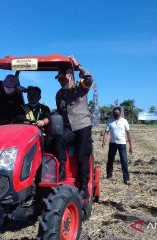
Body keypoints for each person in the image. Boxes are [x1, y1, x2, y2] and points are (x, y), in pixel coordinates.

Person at [54, 56, 93, 199]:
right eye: (59, 80)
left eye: (63, 79)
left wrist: (79, 66)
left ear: (70, 77)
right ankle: (62, 167)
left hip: (82, 126)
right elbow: (59, 111)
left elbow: (89, 79)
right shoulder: (59, 94)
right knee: (57, 136)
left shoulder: (80, 87)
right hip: (69, 127)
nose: (60, 82)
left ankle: (84, 187)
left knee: (82, 155)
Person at [102, 107, 133, 184]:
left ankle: (126, 179)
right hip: (112, 143)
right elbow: (106, 132)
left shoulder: (124, 121)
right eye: (114, 112)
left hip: (122, 143)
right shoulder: (110, 121)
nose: (115, 113)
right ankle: (109, 176)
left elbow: (128, 133)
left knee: (124, 161)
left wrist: (131, 146)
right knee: (110, 160)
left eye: (117, 112)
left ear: (120, 113)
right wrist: (104, 141)